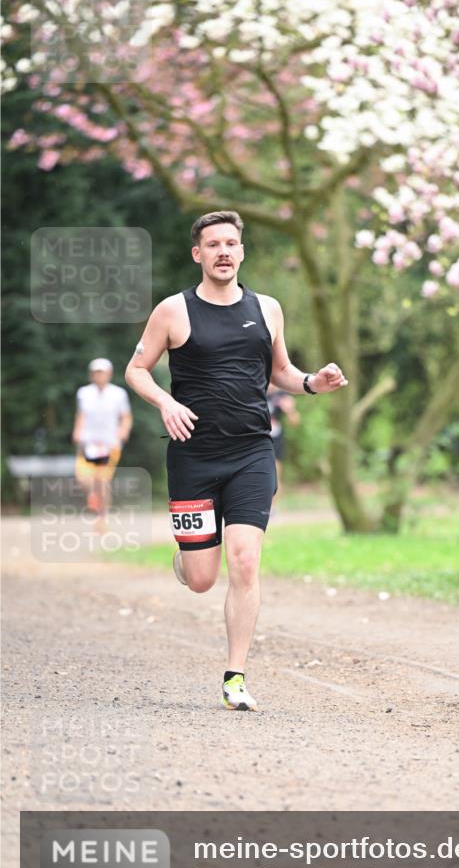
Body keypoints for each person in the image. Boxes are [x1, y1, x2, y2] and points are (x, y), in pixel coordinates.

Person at [125, 210, 347, 711]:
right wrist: (166, 401)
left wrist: (313, 382)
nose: (224, 251)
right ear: (197, 254)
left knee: (245, 561)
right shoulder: (173, 311)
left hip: (252, 452)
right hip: (193, 457)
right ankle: (187, 558)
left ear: (242, 251)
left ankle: (235, 675)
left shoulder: (267, 309)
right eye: (214, 244)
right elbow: (136, 370)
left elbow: (282, 372)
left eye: (232, 243)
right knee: (203, 579)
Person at [72, 358, 133, 531]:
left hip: (109, 443)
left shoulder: (119, 394)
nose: (99, 375)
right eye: (96, 372)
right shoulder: (83, 393)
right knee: (83, 478)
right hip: (88, 442)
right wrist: (77, 430)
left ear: (109, 374)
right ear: (92, 375)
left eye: (102, 372)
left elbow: (126, 417)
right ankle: (93, 496)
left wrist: (124, 430)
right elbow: (81, 414)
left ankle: (102, 518)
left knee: (103, 480)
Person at [267, 382, 300, 506]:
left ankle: (273, 508)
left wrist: (290, 410)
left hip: (275, 440)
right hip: (256, 440)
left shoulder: (282, 395)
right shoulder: (257, 391)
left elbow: (295, 422)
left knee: (275, 475)